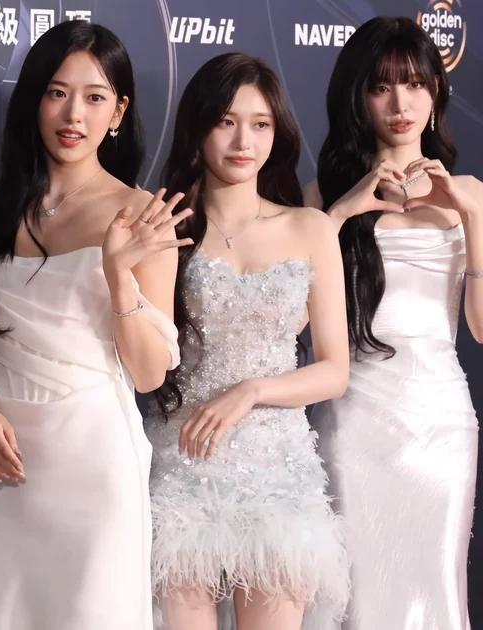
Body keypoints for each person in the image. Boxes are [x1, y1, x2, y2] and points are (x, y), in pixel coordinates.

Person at [0, 21, 188, 630]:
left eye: (94, 97)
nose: (73, 114)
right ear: (34, 99)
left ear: (119, 111)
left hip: (92, 462)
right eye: (57, 92)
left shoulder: (143, 215)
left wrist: (118, 273)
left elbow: (148, 373)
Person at [147, 53, 350, 629]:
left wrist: (253, 390)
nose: (244, 141)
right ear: (198, 129)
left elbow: (334, 370)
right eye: (226, 121)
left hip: (277, 470)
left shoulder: (309, 228)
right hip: (184, 459)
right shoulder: (165, 228)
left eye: (261, 124)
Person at [306, 16, 482, 630]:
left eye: (414, 84)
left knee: (435, 585)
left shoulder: (472, 194)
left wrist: (470, 219)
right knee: (357, 593)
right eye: (381, 87)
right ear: (358, 98)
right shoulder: (322, 194)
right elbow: (295, 317)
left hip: (441, 421)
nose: (400, 104)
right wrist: (341, 212)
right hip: (354, 415)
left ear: (436, 91)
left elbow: (480, 328)